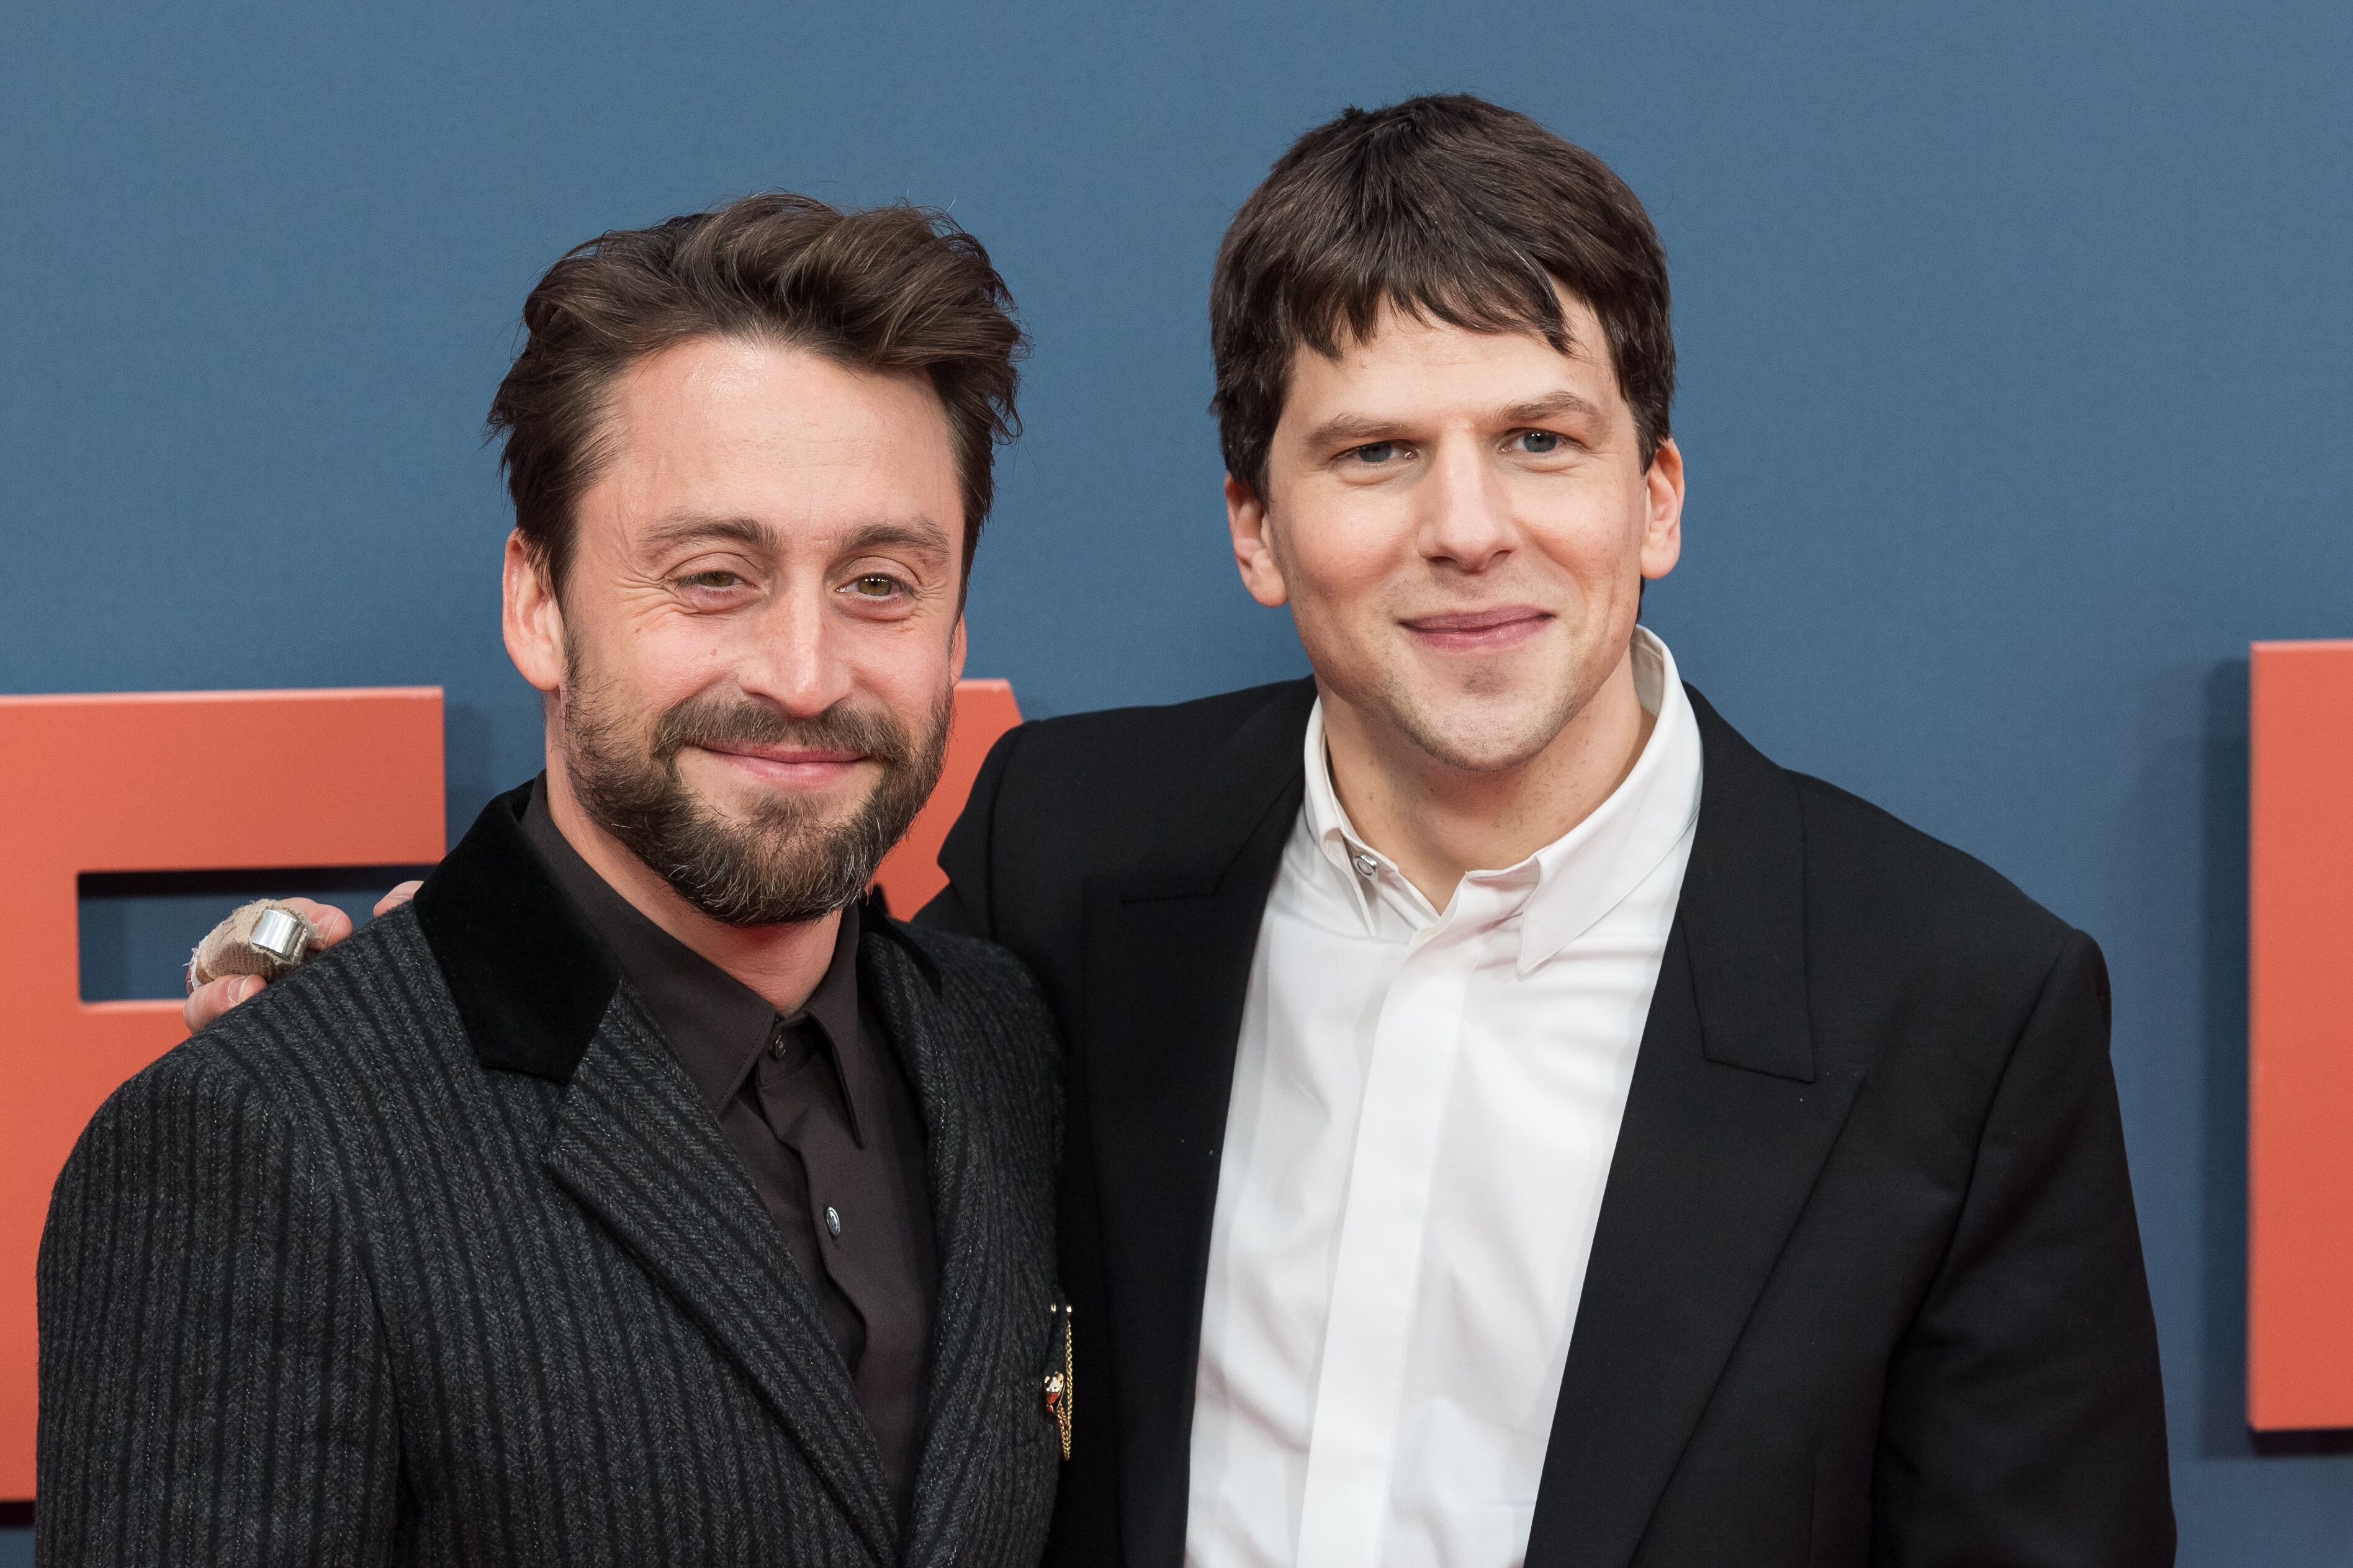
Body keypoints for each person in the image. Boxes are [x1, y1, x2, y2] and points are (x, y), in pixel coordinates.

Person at [181, 96, 2175, 1568]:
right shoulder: (1082, 855)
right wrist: (367, 1012)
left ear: (1656, 496)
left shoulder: (1958, 1008)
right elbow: (722, 1016)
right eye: (1375, 453)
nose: (1467, 528)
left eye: (1540, 442)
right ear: (1255, 529)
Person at [38, 193, 1069, 1566]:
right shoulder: (261, 1143)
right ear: (539, 604)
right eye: (714, 576)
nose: (806, 674)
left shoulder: (1003, 1047)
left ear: (955, 629)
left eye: (881, 582)